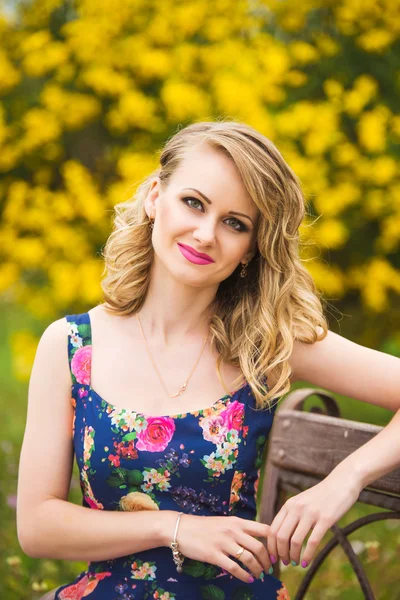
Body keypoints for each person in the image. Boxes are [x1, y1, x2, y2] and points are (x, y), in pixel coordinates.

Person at [17, 120, 329, 600]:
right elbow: (36, 526)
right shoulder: (71, 345)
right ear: (154, 199)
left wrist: (338, 486)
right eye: (194, 203)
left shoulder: (263, 344)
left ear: (250, 250)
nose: (206, 234)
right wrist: (175, 528)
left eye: (235, 223)